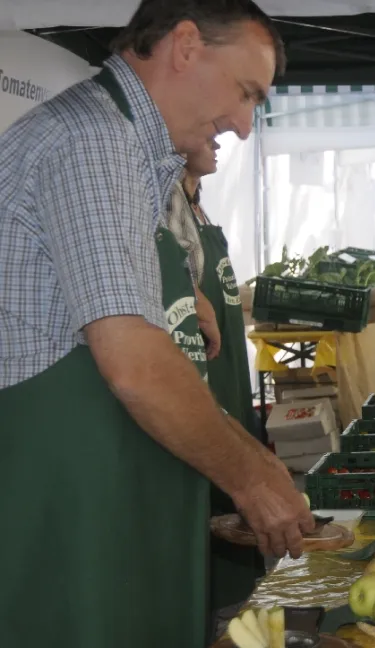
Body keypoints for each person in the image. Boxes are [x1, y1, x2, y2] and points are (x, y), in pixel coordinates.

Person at [0, 2, 314, 646]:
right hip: (62, 505)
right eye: (245, 92)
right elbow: (136, 364)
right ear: (187, 45)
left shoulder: (135, 156)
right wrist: (250, 476)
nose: (244, 126)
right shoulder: (93, 143)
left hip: (110, 495)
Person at [169, 139, 269, 617]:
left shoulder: (199, 211)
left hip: (230, 375)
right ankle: (211, 614)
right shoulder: (166, 213)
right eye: (207, 134)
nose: (217, 142)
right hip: (200, 375)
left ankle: (234, 607)